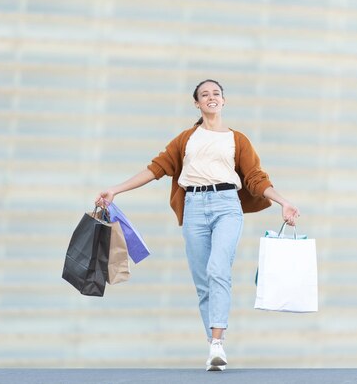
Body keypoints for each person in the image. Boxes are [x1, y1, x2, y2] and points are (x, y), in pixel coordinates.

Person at [96, 79, 300, 371]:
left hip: (227, 205)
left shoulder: (236, 139)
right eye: (204, 94)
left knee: (218, 269)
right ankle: (213, 346)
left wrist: (283, 202)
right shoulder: (186, 139)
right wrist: (115, 189)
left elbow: (256, 178)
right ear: (197, 103)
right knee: (203, 283)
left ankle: (218, 342)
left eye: (216, 93)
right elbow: (155, 169)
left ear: (223, 101)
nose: (211, 97)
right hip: (193, 208)